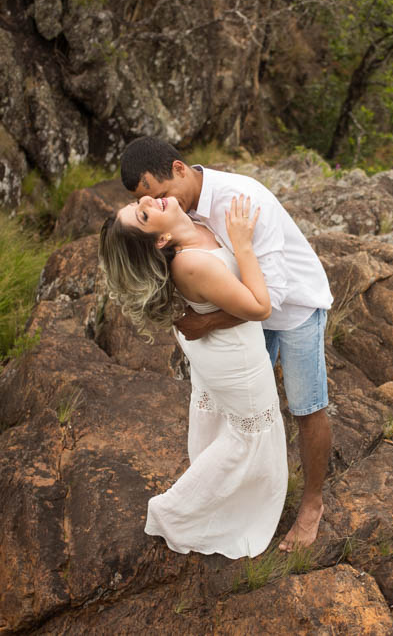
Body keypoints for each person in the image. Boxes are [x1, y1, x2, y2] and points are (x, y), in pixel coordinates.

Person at [119, 136, 333, 551]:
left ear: (180, 169)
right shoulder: (178, 211)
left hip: (294, 307)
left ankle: (311, 505)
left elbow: (272, 295)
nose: (161, 204)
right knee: (242, 409)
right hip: (249, 311)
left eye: (161, 195)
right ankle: (237, 497)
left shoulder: (241, 200)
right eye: (148, 203)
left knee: (307, 407)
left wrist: (209, 320)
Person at [99, 192, 287, 558]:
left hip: (220, 348)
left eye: (142, 201)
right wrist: (242, 245)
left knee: (233, 424)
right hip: (235, 360)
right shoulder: (189, 265)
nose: (150, 200)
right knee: (247, 436)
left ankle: (230, 501)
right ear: (160, 240)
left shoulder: (197, 225)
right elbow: (260, 307)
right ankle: (173, 513)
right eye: (144, 214)